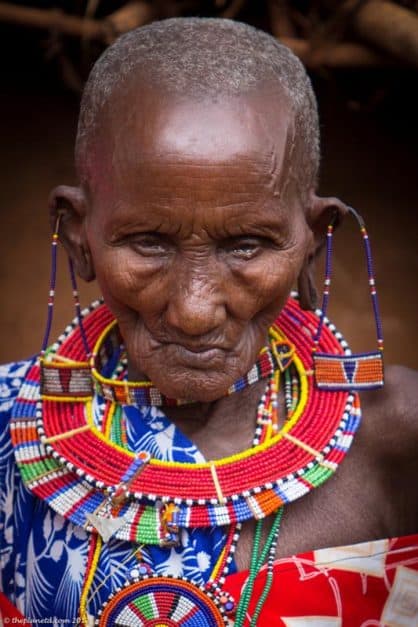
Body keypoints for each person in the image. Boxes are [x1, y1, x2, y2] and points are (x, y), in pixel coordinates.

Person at [1, 17, 417, 626]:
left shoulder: (399, 438)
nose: (194, 310)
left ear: (313, 244)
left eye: (247, 245)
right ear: (77, 236)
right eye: (148, 243)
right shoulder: (11, 431)